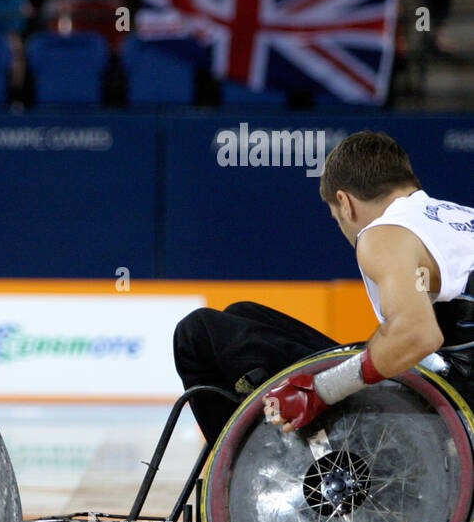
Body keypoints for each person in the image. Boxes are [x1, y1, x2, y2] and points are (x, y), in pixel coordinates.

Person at [175, 131, 474, 447]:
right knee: (242, 315)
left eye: (337, 219)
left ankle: (248, 473)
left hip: (449, 405)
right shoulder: (461, 218)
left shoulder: (385, 233)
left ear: (345, 203)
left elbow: (418, 335)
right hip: (454, 385)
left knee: (197, 333)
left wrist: (320, 390)